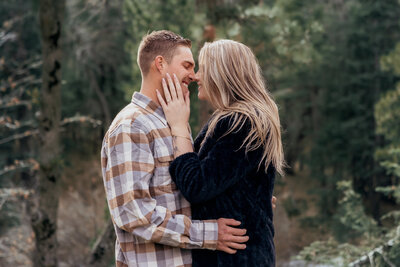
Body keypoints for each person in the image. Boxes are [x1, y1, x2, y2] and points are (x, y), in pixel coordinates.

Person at [100, 31, 252, 267]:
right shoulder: (132, 126)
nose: (193, 75)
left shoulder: (173, 122)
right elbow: (134, 213)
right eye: (187, 66)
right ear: (160, 64)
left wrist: (244, 196)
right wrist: (209, 234)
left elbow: (192, 192)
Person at [157, 39, 285, 266]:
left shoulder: (243, 122)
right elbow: (227, 182)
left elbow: (197, 186)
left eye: (203, 69)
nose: (196, 77)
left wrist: (178, 126)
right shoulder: (236, 119)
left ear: (222, 73)